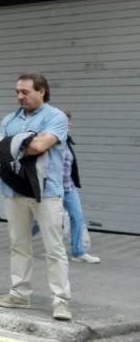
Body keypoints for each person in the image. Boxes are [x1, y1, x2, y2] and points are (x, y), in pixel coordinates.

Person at [0, 73, 72, 321]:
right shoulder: (9, 118)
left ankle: (61, 302)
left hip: (46, 193)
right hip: (13, 190)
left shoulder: (55, 117)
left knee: (54, 249)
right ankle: (19, 294)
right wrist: (26, 140)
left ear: (41, 91)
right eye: (17, 92)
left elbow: (40, 146)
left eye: (25, 92)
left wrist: (12, 144)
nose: (19, 96)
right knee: (18, 244)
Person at [61, 110, 99, 264]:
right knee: (40, 220)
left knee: (77, 217)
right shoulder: (48, 141)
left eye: (70, 122)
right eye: (66, 122)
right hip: (52, 189)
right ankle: (22, 242)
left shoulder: (67, 141)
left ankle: (78, 252)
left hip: (69, 187)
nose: (70, 125)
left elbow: (70, 165)